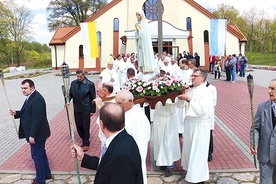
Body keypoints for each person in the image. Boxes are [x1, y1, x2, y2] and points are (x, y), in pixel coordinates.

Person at [71, 103, 143, 184]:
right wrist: (83, 157)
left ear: (102, 124)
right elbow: (107, 165)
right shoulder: (123, 139)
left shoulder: (122, 155)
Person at [9, 79, 51, 184]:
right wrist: (16, 113)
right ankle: (46, 174)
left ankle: (40, 180)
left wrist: (32, 135)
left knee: (36, 156)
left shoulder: (37, 99)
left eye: (25, 88)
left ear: (32, 87)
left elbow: (37, 119)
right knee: (41, 154)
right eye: (22, 88)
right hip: (37, 133)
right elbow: (27, 112)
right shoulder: (30, 97)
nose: (23, 90)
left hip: (38, 134)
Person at [178, 69, 213, 183]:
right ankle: (191, 173)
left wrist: (189, 99)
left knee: (198, 152)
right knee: (189, 150)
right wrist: (183, 94)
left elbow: (201, 110)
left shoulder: (207, 92)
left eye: (195, 76)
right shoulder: (191, 89)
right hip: (190, 124)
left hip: (200, 125)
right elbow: (180, 105)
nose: (192, 78)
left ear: (202, 78)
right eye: (192, 75)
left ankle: (199, 178)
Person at [115, 89, 151, 184]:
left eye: (119, 103)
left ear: (130, 102)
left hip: (132, 161)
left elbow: (140, 145)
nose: (117, 106)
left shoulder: (138, 119)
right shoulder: (126, 113)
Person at [250, 79, 276, 184]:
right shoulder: (262, 107)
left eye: (273, 89)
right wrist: (254, 142)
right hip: (266, 154)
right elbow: (255, 128)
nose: (269, 91)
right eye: (269, 88)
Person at [69, 69, 96, 152]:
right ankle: (84, 138)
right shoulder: (73, 84)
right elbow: (70, 94)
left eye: (80, 76)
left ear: (84, 75)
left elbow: (93, 98)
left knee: (85, 126)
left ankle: (86, 143)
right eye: (77, 76)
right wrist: (67, 101)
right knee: (78, 126)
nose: (79, 78)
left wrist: (92, 110)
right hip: (77, 108)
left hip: (86, 108)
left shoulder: (89, 84)